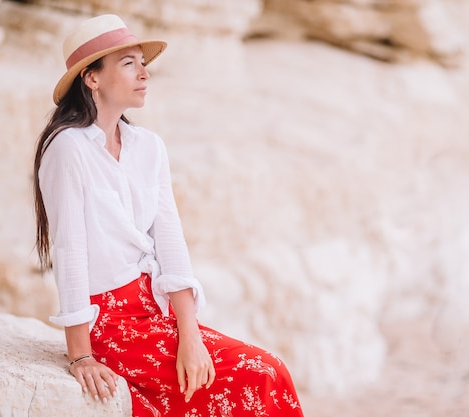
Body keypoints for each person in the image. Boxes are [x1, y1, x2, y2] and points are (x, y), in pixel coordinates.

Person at [32, 13, 305, 417]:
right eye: (129, 63)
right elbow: (70, 251)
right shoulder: (68, 149)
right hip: (108, 325)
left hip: (155, 310)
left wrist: (190, 334)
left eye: (144, 62)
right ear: (91, 78)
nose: (144, 73)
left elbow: (169, 241)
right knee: (262, 374)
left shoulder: (149, 146)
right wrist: (80, 356)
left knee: (264, 371)